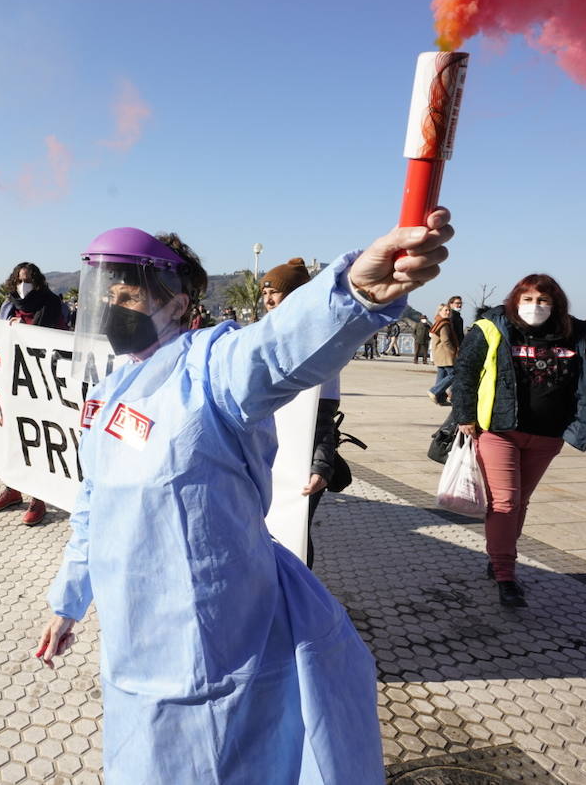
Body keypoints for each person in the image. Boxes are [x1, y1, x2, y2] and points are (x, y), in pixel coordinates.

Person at [37, 212, 453, 784]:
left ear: (177, 303)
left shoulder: (211, 365)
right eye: (106, 293)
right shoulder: (110, 392)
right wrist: (68, 600)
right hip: (134, 635)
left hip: (216, 628)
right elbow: (92, 505)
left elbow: (275, 350)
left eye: (128, 293)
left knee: (230, 758)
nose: (112, 306)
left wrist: (354, 294)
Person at [450, 274, 586, 608]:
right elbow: (465, 373)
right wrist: (465, 416)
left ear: (556, 304)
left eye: (543, 300)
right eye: (528, 299)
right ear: (516, 300)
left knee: (521, 502)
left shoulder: (577, 334)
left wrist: (578, 423)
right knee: (504, 502)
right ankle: (505, 574)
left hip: (549, 434)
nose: (535, 307)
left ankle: (499, 556)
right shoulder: (493, 326)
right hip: (500, 430)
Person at [261, 257, 351, 568]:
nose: (269, 300)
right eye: (265, 294)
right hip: (266, 456)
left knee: (292, 538)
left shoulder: (321, 344)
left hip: (299, 461)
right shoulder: (261, 337)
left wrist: (321, 465)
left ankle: (300, 605)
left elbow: (323, 414)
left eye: (276, 293)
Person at [0, 262, 67, 527]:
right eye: (20, 279)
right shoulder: (9, 304)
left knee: (36, 438)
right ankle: (12, 488)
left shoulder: (53, 304)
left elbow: (61, 338)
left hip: (41, 382)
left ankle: (39, 497)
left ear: (38, 281)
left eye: (28, 279)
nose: (23, 284)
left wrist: (29, 329)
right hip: (12, 379)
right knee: (10, 436)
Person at [428, 302, 457, 405]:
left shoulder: (438, 321)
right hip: (445, 353)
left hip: (438, 353)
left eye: (449, 310)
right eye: (445, 310)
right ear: (440, 311)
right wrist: (454, 351)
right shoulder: (444, 324)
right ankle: (434, 391)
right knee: (454, 374)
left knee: (442, 375)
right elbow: (445, 340)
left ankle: (440, 399)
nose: (448, 312)